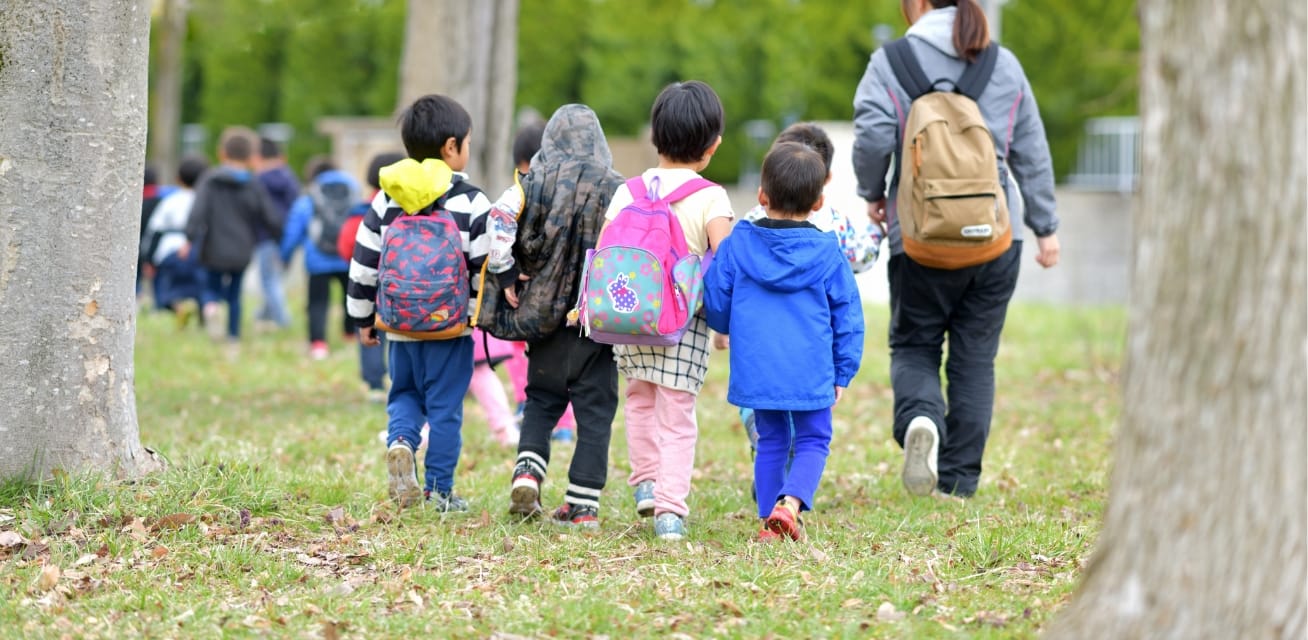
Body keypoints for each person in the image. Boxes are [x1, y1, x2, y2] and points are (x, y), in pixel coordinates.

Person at [852, 0, 1061, 498]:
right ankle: (959, 482)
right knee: (975, 359)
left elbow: (873, 137)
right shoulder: (1002, 64)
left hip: (919, 237)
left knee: (915, 345)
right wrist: (1045, 226)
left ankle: (921, 418)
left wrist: (873, 193)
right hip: (994, 238)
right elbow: (1031, 149)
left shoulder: (891, 62)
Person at [347, 94, 505, 512]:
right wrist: (479, 316)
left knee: (403, 394)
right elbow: (484, 266)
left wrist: (362, 318)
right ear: (451, 147)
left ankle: (401, 441)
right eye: (467, 142)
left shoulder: (386, 199)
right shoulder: (471, 201)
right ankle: (439, 491)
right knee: (445, 410)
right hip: (449, 329)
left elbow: (364, 263)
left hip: (398, 325)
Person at [705, 142, 864, 541]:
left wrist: (723, 327)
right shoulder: (828, 252)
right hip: (811, 368)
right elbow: (848, 316)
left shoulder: (738, 245)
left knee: (771, 440)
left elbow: (716, 296)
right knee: (814, 438)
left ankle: (769, 520)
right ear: (818, 202)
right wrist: (843, 370)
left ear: (762, 196)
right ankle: (789, 506)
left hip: (757, 364)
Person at [606, 81, 734, 540]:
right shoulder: (711, 197)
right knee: (677, 415)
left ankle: (645, 483)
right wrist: (724, 325)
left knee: (639, 400)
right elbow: (726, 267)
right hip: (682, 326)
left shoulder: (627, 191)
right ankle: (669, 511)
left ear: (655, 138)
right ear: (712, 146)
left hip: (629, 317)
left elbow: (605, 253)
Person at [495, 105, 624, 529]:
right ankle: (582, 506)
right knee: (596, 412)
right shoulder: (616, 187)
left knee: (540, 401)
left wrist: (506, 271)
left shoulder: (533, 183)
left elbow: (498, 218)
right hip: (595, 323)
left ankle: (527, 473)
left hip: (544, 320)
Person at [731, 122, 884, 464]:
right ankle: (791, 473)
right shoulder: (833, 225)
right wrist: (876, 230)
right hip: (812, 342)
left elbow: (729, 273)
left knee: (764, 407)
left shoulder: (751, 221)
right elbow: (862, 256)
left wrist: (722, 324)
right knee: (804, 417)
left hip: (759, 338)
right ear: (824, 183)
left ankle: (759, 432)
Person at [502, 122, 578, 442]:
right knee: (561, 357)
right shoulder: (569, 193)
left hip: (526, 290)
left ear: (522, 162)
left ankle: (525, 404)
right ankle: (565, 424)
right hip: (562, 292)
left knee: (519, 349)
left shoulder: (519, 193)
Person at [182, 126, 284, 345]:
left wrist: (189, 239)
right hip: (242, 249)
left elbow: (197, 212)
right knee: (235, 294)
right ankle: (233, 338)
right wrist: (278, 238)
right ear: (250, 156)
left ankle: (211, 307)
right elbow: (269, 216)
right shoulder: (253, 184)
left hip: (213, 247)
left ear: (222, 153)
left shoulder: (209, 180)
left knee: (211, 287)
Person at [281, 156, 359, 360]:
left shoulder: (309, 197)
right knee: (350, 298)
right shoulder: (353, 193)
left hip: (318, 260)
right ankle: (350, 335)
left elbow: (294, 229)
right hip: (348, 258)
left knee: (317, 303)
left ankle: (318, 344)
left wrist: (285, 255)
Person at [341, 152, 403, 402]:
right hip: (400, 282)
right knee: (398, 333)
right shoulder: (408, 209)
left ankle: (374, 383)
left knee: (369, 330)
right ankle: (399, 378)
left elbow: (346, 245)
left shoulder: (362, 209)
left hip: (368, 282)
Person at [144, 155, 212, 326]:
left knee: (164, 289)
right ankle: (201, 316)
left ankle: (175, 309)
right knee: (200, 287)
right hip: (198, 250)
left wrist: (149, 259)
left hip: (169, 249)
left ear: (178, 178)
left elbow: (155, 230)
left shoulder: (170, 201)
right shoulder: (207, 202)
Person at [253, 137, 299, 330]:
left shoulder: (258, 182)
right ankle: (264, 313)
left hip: (266, 236)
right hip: (287, 237)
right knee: (275, 277)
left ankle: (283, 319)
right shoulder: (289, 179)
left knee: (268, 279)